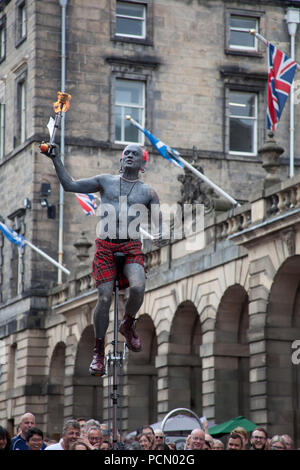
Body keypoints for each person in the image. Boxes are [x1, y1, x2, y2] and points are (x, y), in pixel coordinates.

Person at [41, 143, 161, 377]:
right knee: (104, 297)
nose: (128, 156)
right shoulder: (105, 181)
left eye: (134, 154)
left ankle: (127, 323)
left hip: (131, 246)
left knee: (138, 287)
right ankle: (98, 351)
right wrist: (55, 159)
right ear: (120, 160)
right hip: (106, 247)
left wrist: (161, 236)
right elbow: (70, 186)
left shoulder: (148, 192)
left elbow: (159, 225)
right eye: (125, 153)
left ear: (141, 164)